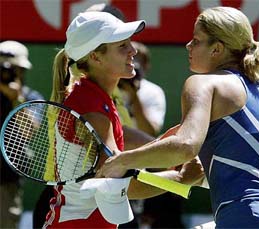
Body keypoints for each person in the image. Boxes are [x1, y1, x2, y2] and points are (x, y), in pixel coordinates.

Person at [99, 6, 259, 228]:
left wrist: (121, 161)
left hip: (249, 214)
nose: (188, 46)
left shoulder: (203, 83)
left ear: (217, 49)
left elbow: (185, 145)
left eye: (196, 40)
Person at [43, 11, 203, 228]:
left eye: (130, 43)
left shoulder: (93, 97)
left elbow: (124, 147)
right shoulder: (92, 107)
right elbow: (118, 186)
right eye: (122, 46)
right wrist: (181, 180)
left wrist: (166, 150)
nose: (133, 51)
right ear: (95, 57)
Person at [0, 40, 44, 228]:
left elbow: (27, 132)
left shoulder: (30, 98)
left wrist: (16, 100)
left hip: (6, 182)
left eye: (15, 70)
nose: (8, 74)